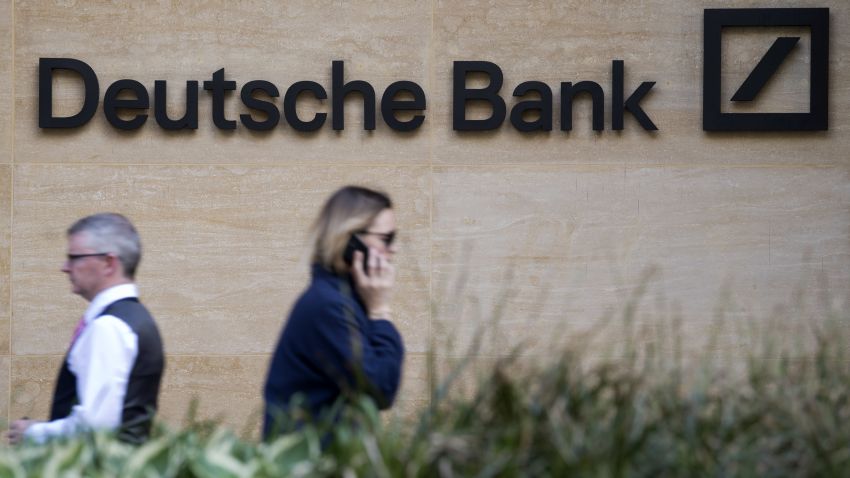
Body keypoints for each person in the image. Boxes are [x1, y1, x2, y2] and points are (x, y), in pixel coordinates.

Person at [7, 213, 165, 445]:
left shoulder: (109, 327)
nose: (65, 267)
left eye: (74, 257)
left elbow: (96, 429)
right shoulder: (133, 318)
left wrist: (33, 434)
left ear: (109, 263)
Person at [263, 185, 405, 438]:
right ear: (351, 240)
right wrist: (381, 311)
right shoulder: (329, 306)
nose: (393, 249)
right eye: (386, 239)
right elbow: (381, 389)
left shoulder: (340, 300)